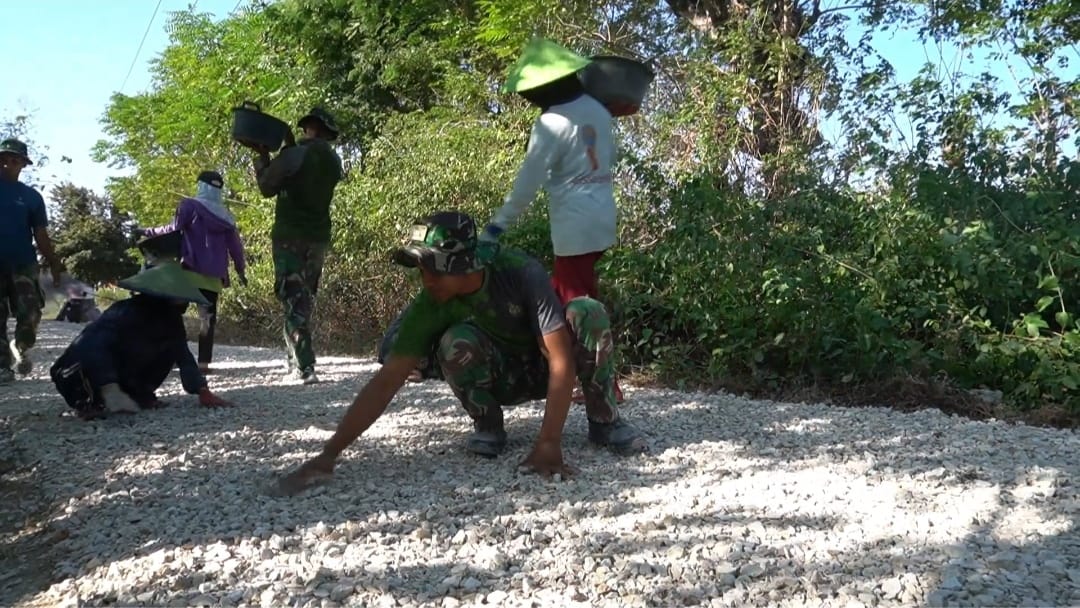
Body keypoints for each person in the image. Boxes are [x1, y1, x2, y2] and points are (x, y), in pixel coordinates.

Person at [272, 211, 647, 497]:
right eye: (421, 270)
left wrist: (548, 443)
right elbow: (387, 380)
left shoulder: (518, 271)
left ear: (463, 263)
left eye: (432, 268)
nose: (426, 280)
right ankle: (488, 425)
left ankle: (604, 419)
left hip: (542, 368)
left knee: (587, 312)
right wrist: (328, 456)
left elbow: (561, 358)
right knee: (456, 341)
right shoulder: (432, 302)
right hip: (500, 376)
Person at [478, 38, 626, 401]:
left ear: (544, 87)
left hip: (574, 226)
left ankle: (604, 387)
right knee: (579, 296)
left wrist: (496, 227)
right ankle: (587, 379)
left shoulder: (550, 123)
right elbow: (613, 155)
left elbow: (528, 182)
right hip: (603, 219)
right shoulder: (598, 110)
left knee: (577, 307)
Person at [49, 261, 230, 420]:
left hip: (120, 378)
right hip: (75, 377)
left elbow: (184, 356)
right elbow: (91, 347)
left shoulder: (171, 322)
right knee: (98, 352)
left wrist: (202, 390)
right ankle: (92, 403)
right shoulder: (124, 312)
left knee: (169, 348)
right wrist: (109, 388)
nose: (185, 305)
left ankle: (137, 396)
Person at [251, 108, 344, 385]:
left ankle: (305, 365)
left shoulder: (293, 154)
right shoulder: (334, 160)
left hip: (289, 236)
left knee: (292, 298)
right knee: (304, 299)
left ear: (310, 128)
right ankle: (294, 359)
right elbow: (307, 175)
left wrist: (263, 157)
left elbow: (267, 187)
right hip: (318, 238)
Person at [142, 170, 247, 373]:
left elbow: (173, 229)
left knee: (173, 313)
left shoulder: (189, 206)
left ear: (201, 186)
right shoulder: (226, 216)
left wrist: (148, 231)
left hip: (189, 270)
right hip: (214, 275)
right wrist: (241, 270)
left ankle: (173, 357)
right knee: (207, 318)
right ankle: (203, 363)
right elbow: (235, 247)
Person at [0, 138, 64, 384]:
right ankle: (2, 366)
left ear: (23, 165)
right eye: (4, 159)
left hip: (23, 263)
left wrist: (54, 263)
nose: (8, 164)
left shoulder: (31, 197)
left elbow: (41, 235)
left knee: (31, 312)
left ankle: (21, 346)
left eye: (14, 160)